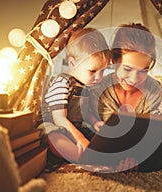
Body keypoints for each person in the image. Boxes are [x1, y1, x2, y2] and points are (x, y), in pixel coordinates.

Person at [37, 27, 112, 163]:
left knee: (103, 138)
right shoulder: (62, 83)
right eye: (92, 71)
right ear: (72, 63)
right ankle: (86, 158)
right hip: (55, 125)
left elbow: (84, 111)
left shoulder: (86, 86)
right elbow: (59, 118)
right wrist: (80, 138)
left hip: (76, 127)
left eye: (103, 71)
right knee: (55, 138)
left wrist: (95, 122)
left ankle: (105, 156)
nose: (99, 77)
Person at [89, 23, 162, 132]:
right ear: (114, 61)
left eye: (143, 71)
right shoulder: (98, 91)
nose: (134, 79)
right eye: (127, 69)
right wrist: (94, 121)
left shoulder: (155, 91)